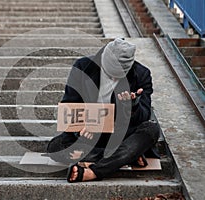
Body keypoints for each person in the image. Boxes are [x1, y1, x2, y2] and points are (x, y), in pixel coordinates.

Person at [46, 38, 160, 182]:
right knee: (55, 147)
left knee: (151, 129)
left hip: (122, 136)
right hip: (90, 138)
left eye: (119, 75)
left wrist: (132, 106)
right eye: (109, 72)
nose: (113, 78)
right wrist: (80, 127)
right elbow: (69, 105)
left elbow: (144, 116)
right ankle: (124, 157)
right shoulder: (82, 67)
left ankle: (93, 172)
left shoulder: (141, 74)